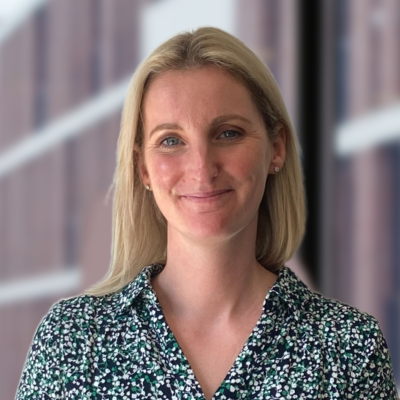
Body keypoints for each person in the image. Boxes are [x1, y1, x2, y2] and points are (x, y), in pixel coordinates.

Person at [16, 27, 398, 400]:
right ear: (143, 169)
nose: (202, 167)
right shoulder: (72, 342)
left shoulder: (349, 350)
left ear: (276, 148)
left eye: (228, 133)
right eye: (170, 141)